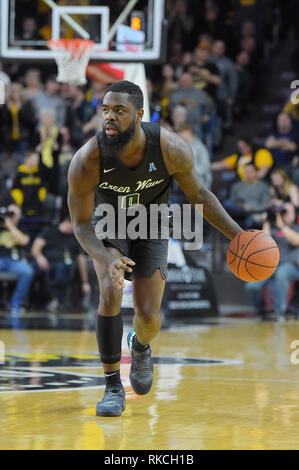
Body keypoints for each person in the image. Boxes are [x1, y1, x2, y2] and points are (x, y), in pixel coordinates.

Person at [67, 80, 243, 417]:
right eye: (105, 110)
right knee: (110, 291)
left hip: (151, 223)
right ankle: (112, 386)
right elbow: (80, 224)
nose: (110, 117)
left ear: (139, 114)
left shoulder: (169, 148)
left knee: (148, 315)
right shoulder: (88, 158)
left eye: (119, 110)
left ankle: (141, 345)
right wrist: (106, 258)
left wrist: (239, 235)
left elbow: (200, 196)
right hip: (108, 222)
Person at [245, 202, 299, 321]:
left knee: (282, 273)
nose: (285, 214)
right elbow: (263, 243)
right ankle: (259, 311)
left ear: (295, 214)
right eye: (283, 211)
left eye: (288, 211)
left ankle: (280, 313)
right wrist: (267, 222)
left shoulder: (296, 229)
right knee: (252, 285)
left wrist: (281, 226)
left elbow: (296, 241)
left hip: (292, 266)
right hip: (273, 266)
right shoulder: (274, 230)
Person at [31, 214, 91, 312]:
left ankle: (57, 300)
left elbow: (81, 259)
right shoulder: (49, 231)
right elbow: (35, 248)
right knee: (31, 270)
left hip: (65, 266)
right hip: (45, 263)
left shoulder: (75, 237)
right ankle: (34, 301)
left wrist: (85, 282)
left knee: (61, 268)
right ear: (67, 222)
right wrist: (39, 257)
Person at [0, 203, 34, 316]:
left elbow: (24, 241)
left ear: (19, 216)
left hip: (14, 260)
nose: (11, 217)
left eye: (14, 214)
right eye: (9, 214)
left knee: (28, 271)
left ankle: (16, 303)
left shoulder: (22, 227)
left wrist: (10, 226)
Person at [223, 163, 271, 229]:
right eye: (246, 172)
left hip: (255, 211)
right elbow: (232, 200)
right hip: (240, 210)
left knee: (250, 221)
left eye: (250, 171)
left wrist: (253, 208)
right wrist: (242, 204)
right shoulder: (237, 185)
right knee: (226, 203)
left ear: (256, 172)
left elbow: (265, 204)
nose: (248, 174)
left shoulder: (264, 187)